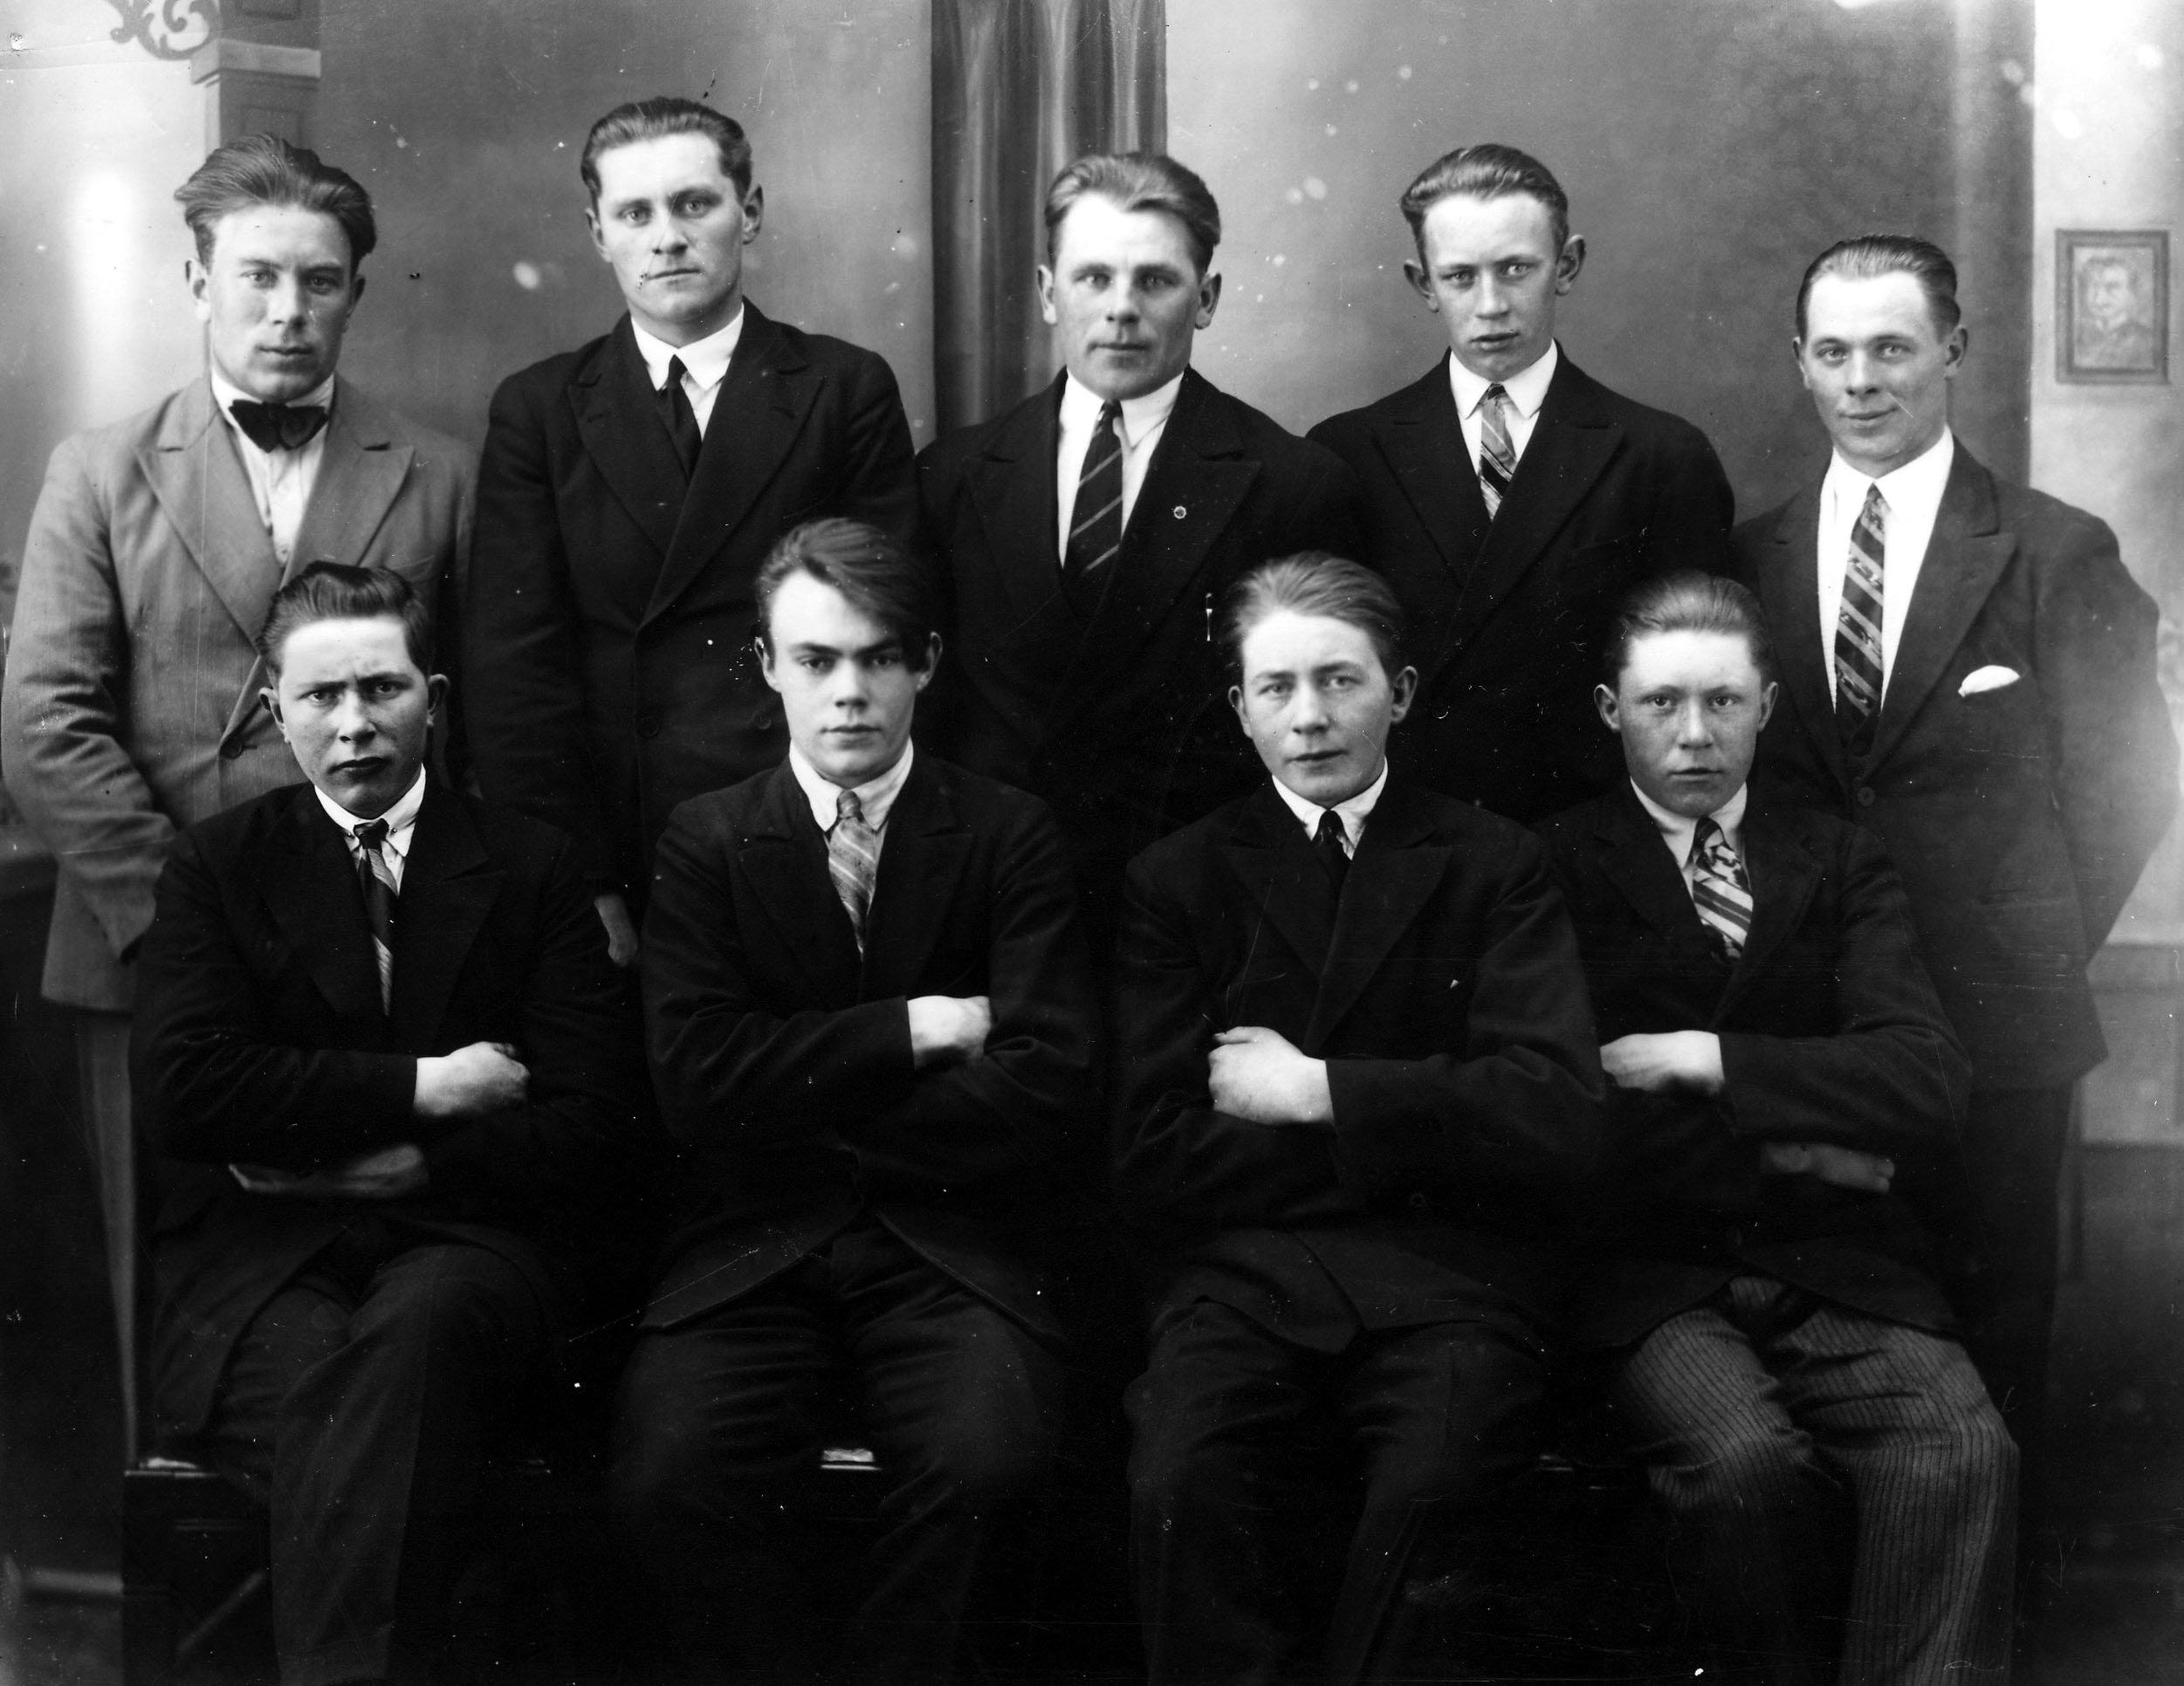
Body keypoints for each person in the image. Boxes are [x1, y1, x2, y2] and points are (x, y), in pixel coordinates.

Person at [0, 134, 473, 1444]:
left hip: (379, 955)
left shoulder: (441, 471)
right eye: (257, 276)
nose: (287, 310)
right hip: (149, 950)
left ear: (356, 293)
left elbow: (474, 724)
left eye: (319, 282)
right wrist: (191, 933)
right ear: (197, 280)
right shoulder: (100, 469)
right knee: (172, 1306)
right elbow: (46, 728)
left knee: (380, 1291)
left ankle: (352, 1536)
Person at [1730, 234, 2178, 1594]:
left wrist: (2014, 953)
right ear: (1799, 363)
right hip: (1813, 1027)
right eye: (1832, 352)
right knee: (1826, 1315)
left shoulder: (2051, 549)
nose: (1860, 381)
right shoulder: (1751, 553)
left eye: (1891, 348)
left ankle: (1989, 1632)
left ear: (1953, 352)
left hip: (1996, 1027)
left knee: (1992, 1330)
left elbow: (2123, 787)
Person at [130, 563, 642, 1686]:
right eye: (320, 696)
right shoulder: (217, 866)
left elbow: (596, 1120)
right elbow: (185, 1091)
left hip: (471, 1246)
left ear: (435, 699)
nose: (354, 723)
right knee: (381, 1421)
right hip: (267, 1265)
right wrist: (430, 1090)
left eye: (382, 688)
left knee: (414, 1351)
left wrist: (393, 1167)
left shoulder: (532, 864)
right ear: (276, 714)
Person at [616, 518, 1097, 1681]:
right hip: (755, 1250)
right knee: (668, 1477)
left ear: (925, 663)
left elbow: (1045, 1083)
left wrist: (797, 1101)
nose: (848, 693)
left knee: (990, 1467)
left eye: (879, 658)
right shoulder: (707, 839)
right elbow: (694, 1083)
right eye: (817, 660)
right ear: (767, 666)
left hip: (949, 1247)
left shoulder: (1008, 833)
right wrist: (915, 1030)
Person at [1111, 552, 1602, 1682]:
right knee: (1180, 1476)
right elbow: (1151, 1155)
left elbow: (1554, 1117)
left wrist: (1316, 1092)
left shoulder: (1495, 863)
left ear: (1402, 691)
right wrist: (1423, 1132)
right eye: (1276, 687)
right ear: (1239, 708)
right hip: (1243, 1284)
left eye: (1340, 679)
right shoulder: (1177, 879)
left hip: (1454, 1284)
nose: (1310, 716)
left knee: (1434, 1484)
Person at [1535, 572, 2016, 1683]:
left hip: (1839, 1264)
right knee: (1742, 1464)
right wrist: (1810, 1144)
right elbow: (1565, 1115)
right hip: (1651, 1275)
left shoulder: (1837, 857)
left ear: (1768, 707)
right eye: (1661, 703)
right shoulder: (1547, 864)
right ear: (1611, 710)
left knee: (1959, 1450)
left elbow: (1927, 1078)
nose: (1694, 734)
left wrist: (1711, 1062)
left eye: (1723, 701)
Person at [466, 96, 918, 966]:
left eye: (694, 204)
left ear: (749, 212)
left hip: (805, 826)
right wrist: (580, 880)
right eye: (635, 214)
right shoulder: (541, 411)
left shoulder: (843, 390)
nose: (667, 238)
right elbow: (515, 675)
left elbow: (887, 639)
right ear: (598, 233)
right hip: (622, 843)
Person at [917, 151, 1362, 947]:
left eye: (1155, 281)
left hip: (1204, 913)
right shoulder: (953, 476)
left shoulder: (1292, 484)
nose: (1121, 309)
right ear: (1049, 293)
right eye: (1093, 279)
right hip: (999, 906)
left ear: (1207, 298)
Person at [1310, 144, 1734, 824]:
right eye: (1460, 277)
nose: (1490, 305)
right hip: (1408, 838)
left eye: (1515, 269)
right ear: (1423, 284)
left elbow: (1697, 680)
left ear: (1566, 266)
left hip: (1592, 839)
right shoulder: (1348, 455)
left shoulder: (1661, 457)